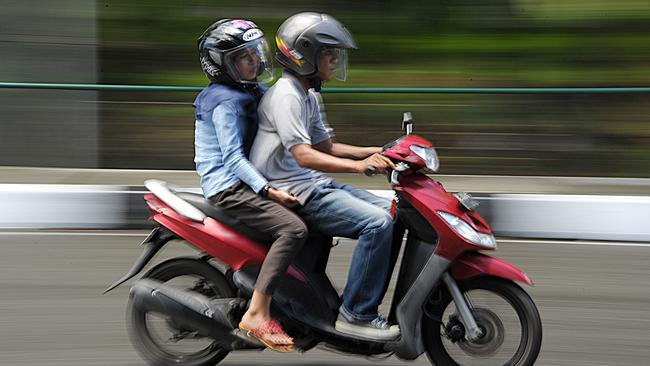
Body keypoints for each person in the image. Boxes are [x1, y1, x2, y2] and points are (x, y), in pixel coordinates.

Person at [249, 12, 400, 340]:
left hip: (312, 186)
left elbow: (325, 146)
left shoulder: (309, 94)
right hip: (292, 192)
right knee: (377, 224)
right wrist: (360, 167)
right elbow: (304, 155)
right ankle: (357, 314)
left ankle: (359, 302)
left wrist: (377, 151)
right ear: (305, 55)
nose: (335, 60)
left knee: (395, 213)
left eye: (336, 54)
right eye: (329, 53)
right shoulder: (286, 95)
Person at [194, 18, 307, 352]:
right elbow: (232, 159)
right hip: (228, 186)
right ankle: (258, 313)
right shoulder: (225, 102)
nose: (256, 62)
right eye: (245, 57)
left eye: (256, 53)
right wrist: (267, 190)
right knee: (293, 230)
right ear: (222, 65)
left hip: (249, 180)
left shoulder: (250, 90)